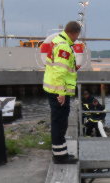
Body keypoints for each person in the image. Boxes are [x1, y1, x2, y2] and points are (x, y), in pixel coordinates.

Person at [43, 21, 82, 164]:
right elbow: (60, 71)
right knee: (60, 123)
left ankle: (60, 152)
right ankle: (60, 157)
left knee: (59, 122)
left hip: (53, 89)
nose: (77, 38)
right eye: (77, 35)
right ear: (74, 32)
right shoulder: (64, 47)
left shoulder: (57, 41)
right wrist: (61, 93)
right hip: (58, 91)